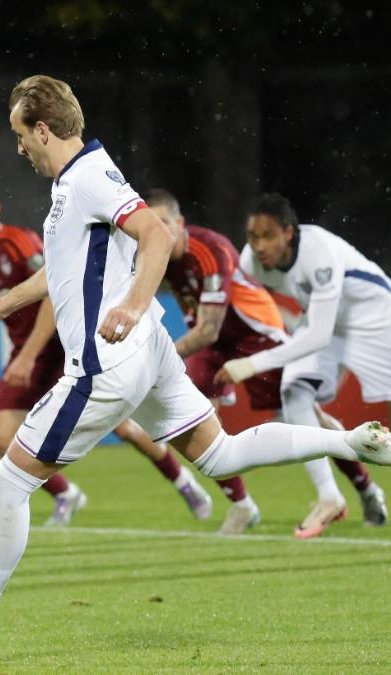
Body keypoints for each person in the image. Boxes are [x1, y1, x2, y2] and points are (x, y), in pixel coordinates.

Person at [0, 75, 391, 655]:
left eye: (19, 134)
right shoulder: (84, 176)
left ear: (43, 128)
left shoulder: (84, 180)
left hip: (104, 364)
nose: (17, 147)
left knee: (5, 482)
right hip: (148, 350)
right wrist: (2, 305)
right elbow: (62, 270)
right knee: (221, 453)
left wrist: (131, 306)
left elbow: (154, 234)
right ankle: (351, 443)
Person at [0, 174, 213, 526]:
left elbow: (51, 292)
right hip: (27, 351)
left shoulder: (21, 244)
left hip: (70, 340)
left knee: (124, 428)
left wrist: (28, 355)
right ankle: (65, 494)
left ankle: (182, 481)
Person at [216, 193, 391, 533]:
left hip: (374, 319)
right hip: (326, 323)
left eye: (268, 236)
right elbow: (249, 305)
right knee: (294, 395)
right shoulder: (251, 261)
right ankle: (329, 497)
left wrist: (254, 363)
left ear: (288, 233)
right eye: (253, 237)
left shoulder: (317, 253)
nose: (259, 246)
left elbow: (317, 335)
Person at [147, 188, 276, 534]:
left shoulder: (209, 249)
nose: (157, 231)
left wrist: (160, 358)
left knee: (300, 411)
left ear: (180, 223)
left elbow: (208, 328)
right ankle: (242, 505)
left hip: (257, 336)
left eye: (164, 223)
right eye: (150, 224)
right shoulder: (155, 256)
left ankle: (363, 482)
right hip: (214, 347)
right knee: (190, 419)